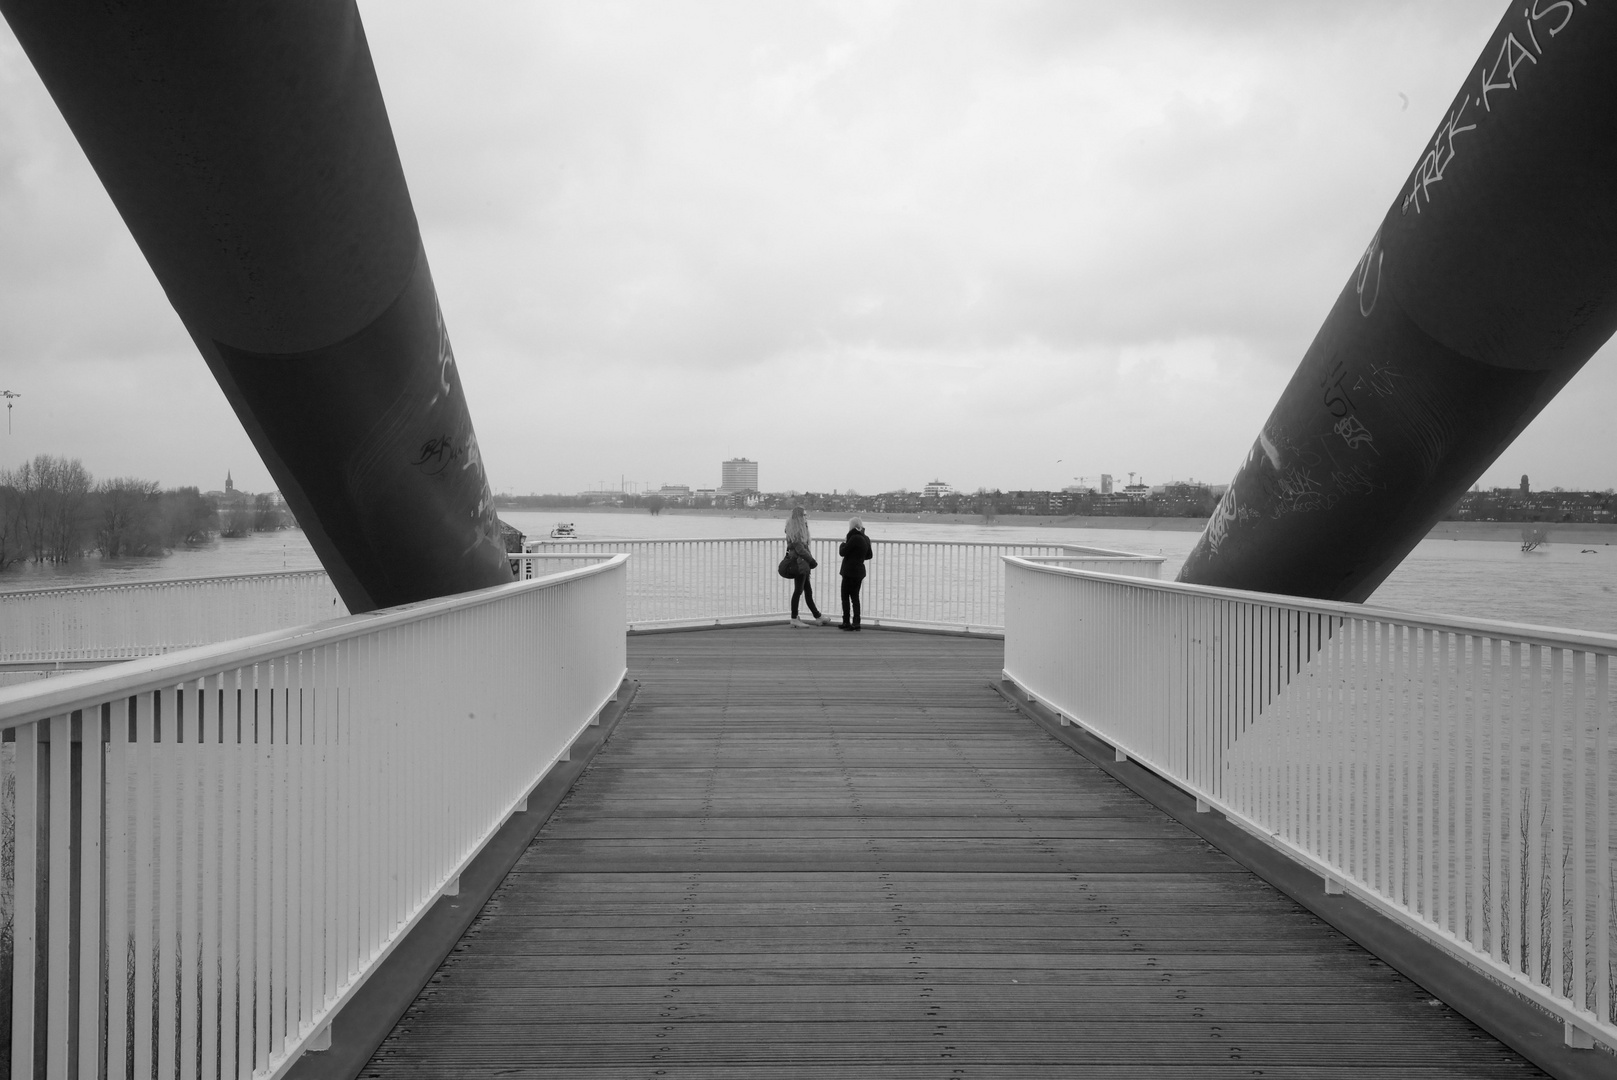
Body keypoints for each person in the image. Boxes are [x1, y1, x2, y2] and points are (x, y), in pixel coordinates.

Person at [784, 506, 828, 627]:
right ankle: (794, 618)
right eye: (804, 515)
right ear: (798, 517)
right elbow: (800, 549)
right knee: (798, 590)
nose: (806, 517)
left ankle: (817, 616)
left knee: (807, 591)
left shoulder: (798, 529)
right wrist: (812, 560)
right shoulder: (796, 531)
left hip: (803, 563)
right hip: (800, 563)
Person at [838, 517, 873, 630]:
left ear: (851, 526)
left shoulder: (853, 537)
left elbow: (842, 552)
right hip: (859, 571)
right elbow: (869, 555)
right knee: (855, 597)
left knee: (845, 597)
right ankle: (856, 622)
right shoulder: (866, 538)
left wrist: (843, 543)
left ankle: (846, 621)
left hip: (849, 571)